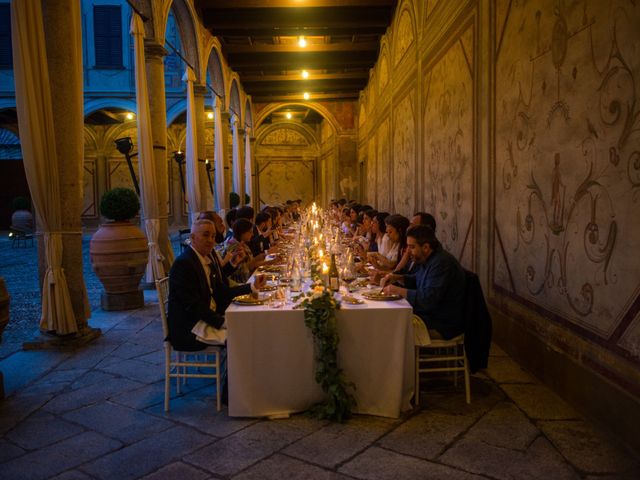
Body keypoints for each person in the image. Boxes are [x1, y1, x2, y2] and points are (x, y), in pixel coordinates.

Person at [167, 219, 266, 352]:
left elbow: (221, 291)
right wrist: (223, 322)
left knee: (250, 325)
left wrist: (252, 287)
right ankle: (238, 372)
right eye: (205, 235)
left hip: (207, 318)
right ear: (192, 237)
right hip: (191, 327)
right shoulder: (184, 264)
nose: (210, 240)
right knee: (242, 336)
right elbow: (193, 306)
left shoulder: (206, 257)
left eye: (213, 236)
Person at [381, 225, 465, 340]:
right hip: (430, 316)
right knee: (387, 314)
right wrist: (398, 278)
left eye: (412, 247)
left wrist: (396, 290)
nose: (408, 252)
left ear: (425, 247)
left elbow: (427, 300)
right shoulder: (428, 258)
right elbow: (418, 279)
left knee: (389, 324)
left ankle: (398, 357)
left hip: (442, 323)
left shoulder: (441, 263)